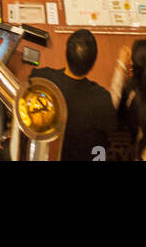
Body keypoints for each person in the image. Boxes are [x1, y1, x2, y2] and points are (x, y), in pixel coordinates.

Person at [38, 30, 117, 162]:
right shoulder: (102, 98)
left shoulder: (43, 80)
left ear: (66, 52)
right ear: (93, 62)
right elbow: (111, 128)